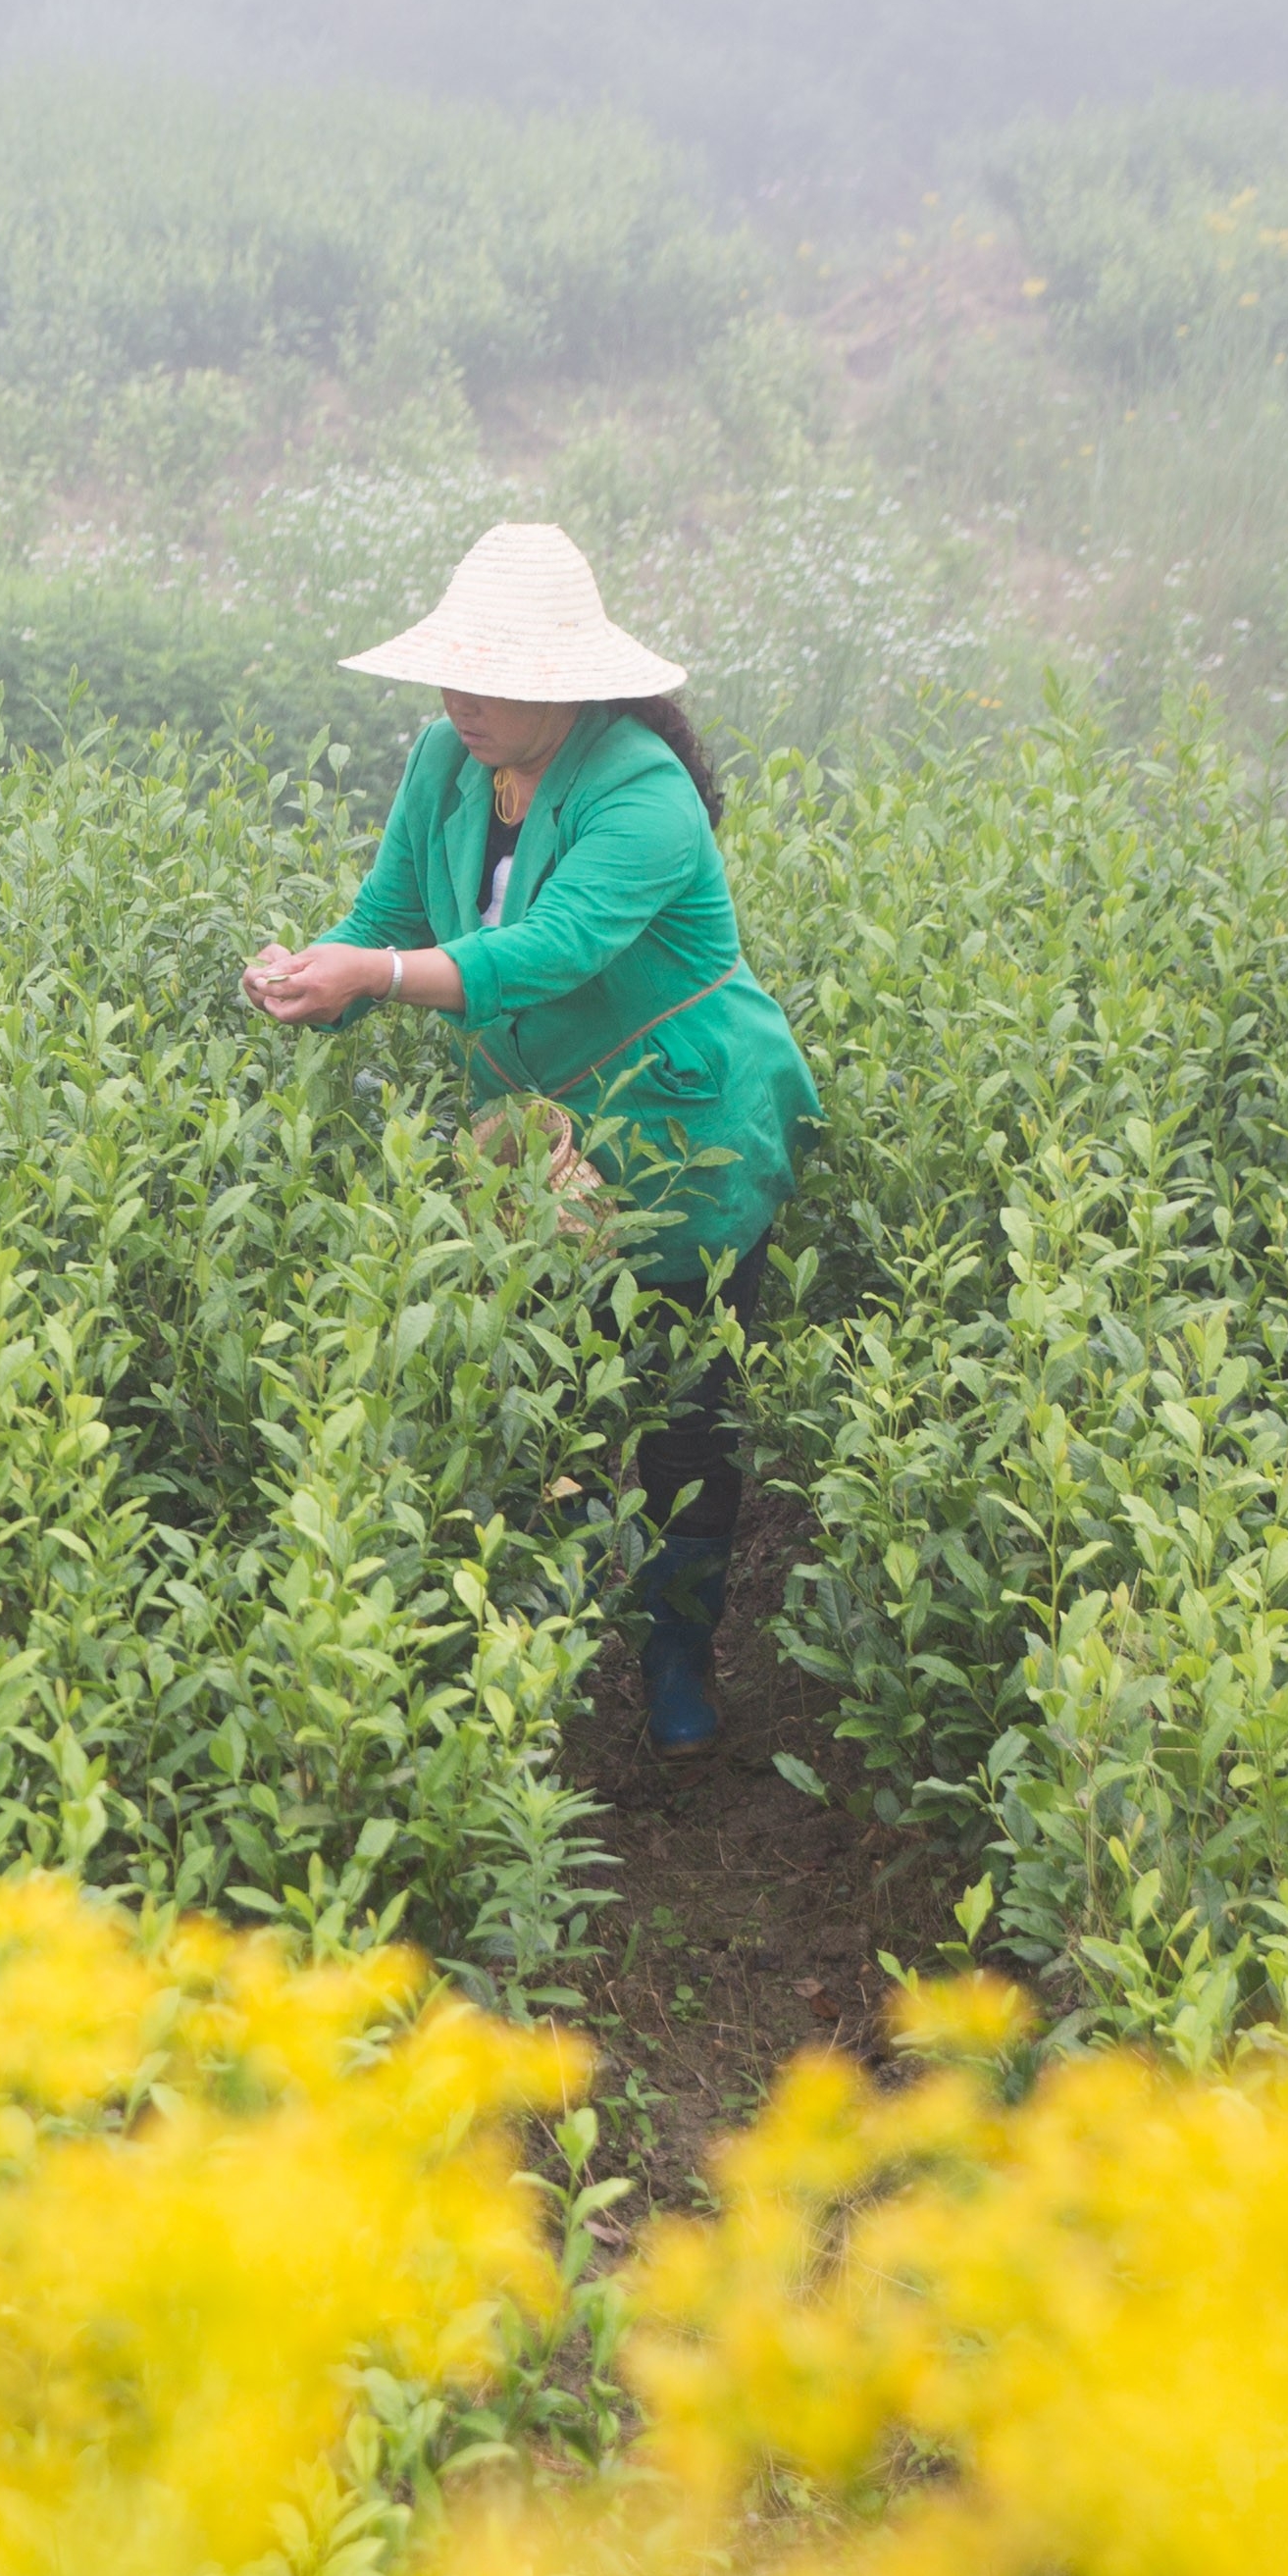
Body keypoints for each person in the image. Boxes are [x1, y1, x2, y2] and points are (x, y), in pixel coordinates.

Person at [239, 522, 818, 1753]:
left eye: (489, 677)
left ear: (567, 683)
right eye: (451, 670)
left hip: (682, 1132)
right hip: (541, 1136)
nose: (459, 700)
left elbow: (548, 952)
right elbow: (389, 913)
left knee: (682, 1411)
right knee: (535, 1386)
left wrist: (380, 974)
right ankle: (530, 1665)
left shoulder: (647, 800)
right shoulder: (448, 767)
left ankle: (676, 1661)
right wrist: (320, 976)